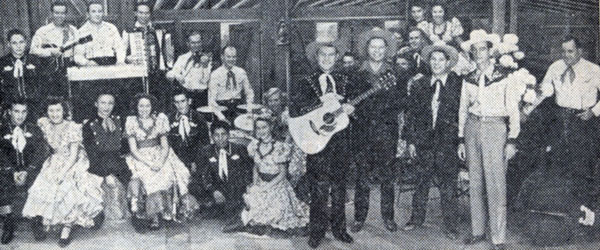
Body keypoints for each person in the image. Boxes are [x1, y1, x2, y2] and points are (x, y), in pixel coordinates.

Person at [458, 30, 522, 250]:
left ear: (490, 51)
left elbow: (513, 110)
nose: (478, 53)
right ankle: (477, 231)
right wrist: (460, 138)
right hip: (472, 127)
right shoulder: (468, 78)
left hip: (496, 129)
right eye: (474, 50)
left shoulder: (504, 76)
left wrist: (512, 139)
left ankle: (498, 237)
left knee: (496, 184)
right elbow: (462, 110)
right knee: (474, 182)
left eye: (482, 49)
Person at [289, 36, 356, 248]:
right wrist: (321, 102)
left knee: (339, 187)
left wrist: (351, 110)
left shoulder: (346, 80)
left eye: (331, 54)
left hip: (340, 141)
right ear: (316, 57)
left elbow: (354, 110)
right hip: (316, 138)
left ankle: (339, 230)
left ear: (337, 57)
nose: (327, 58)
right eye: (322, 54)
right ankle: (316, 232)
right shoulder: (305, 81)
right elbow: (296, 108)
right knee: (318, 188)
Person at [525, 36, 600, 205]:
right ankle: (564, 210)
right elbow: (543, 92)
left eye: (570, 51)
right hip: (560, 120)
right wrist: (526, 111)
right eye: (563, 51)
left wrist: (594, 112)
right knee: (559, 164)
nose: (566, 55)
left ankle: (584, 212)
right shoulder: (555, 67)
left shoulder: (593, 70)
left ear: (580, 51)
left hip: (583, 121)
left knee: (583, 166)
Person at [21, 97, 104, 247]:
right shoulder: (44, 124)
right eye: (51, 111)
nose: (54, 114)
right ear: (46, 112)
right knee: (44, 184)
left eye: (58, 110)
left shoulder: (72, 127)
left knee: (67, 186)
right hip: (54, 159)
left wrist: (63, 172)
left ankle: (67, 228)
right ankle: (46, 222)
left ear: (64, 111)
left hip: (72, 161)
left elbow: (73, 155)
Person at [402, 43, 462, 240]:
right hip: (423, 142)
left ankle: (451, 226)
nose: (436, 63)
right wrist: (410, 141)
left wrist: (460, 141)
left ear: (448, 63)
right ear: (429, 62)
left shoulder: (458, 84)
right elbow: (411, 114)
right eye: (433, 60)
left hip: (448, 144)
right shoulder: (420, 84)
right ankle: (416, 219)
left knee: (448, 186)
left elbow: (462, 116)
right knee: (421, 182)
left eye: (440, 60)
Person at [350, 27, 404, 233]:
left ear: (387, 49)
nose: (377, 51)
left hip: (386, 131)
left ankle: (388, 218)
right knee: (362, 176)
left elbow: (401, 102)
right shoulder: (356, 73)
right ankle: (359, 218)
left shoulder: (397, 73)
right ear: (367, 49)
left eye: (381, 47)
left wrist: (386, 106)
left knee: (387, 177)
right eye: (373, 47)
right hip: (362, 132)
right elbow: (349, 102)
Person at [124, 93, 197, 231]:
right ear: (136, 107)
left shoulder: (160, 119)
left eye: (147, 106)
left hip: (160, 154)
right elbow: (133, 149)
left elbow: (165, 146)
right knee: (148, 176)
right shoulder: (131, 121)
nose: (144, 109)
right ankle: (153, 215)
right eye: (141, 106)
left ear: (152, 107)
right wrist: (150, 164)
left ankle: (167, 211)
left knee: (168, 172)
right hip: (140, 156)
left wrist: (160, 161)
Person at [238, 116, 309, 235]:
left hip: (277, 184)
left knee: (276, 213)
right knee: (252, 204)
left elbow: (283, 174)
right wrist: (255, 184)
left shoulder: (279, 146)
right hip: (261, 181)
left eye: (264, 127)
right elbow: (256, 167)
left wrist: (266, 188)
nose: (261, 131)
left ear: (270, 127)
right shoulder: (254, 146)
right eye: (258, 128)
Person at [0, 98, 47, 244]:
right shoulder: (2, 130)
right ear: (9, 112)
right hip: (8, 169)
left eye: (23, 111)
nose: (20, 116)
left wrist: (28, 171)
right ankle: (8, 223)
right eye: (16, 111)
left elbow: (40, 153)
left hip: (29, 169)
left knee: (39, 180)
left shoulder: (34, 129)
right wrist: (12, 171)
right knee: (2, 180)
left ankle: (35, 220)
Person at [82, 92, 132, 221]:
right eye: (103, 103)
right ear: (96, 104)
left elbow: (125, 146)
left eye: (110, 103)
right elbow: (91, 154)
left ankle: (136, 211)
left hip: (118, 160)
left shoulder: (119, 121)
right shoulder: (89, 125)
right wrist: (106, 174)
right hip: (99, 162)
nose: (106, 107)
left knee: (132, 179)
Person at [194, 120, 253, 228]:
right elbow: (203, 174)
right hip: (217, 187)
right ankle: (224, 210)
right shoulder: (206, 151)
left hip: (235, 187)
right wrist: (213, 190)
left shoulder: (239, 149)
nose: (220, 138)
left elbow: (247, 171)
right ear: (211, 137)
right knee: (195, 186)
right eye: (216, 135)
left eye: (223, 134)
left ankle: (232, 213)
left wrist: (246, 189)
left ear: (229, 135)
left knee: (235, 202)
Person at [123, 2, 174, 109]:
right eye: (141, 13)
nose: (144, 16)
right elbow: (121, 53)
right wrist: (127, 59)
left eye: (146, 13)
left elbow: (169, 50)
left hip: (157, 73)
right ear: (135, 13)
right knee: (137, 101)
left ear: (150, 14)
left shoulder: (160, 30)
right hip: (136, 75)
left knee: (158, 101)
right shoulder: (128, 31)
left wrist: (169, 67)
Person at [29, 0, 78, 97]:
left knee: (70, 96)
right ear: (51, 13)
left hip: (69, 66)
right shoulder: (43, 31)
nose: (60, 16)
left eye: (63, 13)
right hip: (50, 70)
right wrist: (50, 52)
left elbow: (78, 48)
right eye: (57, 13)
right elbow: (33, 50)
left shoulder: (72, 30)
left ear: (66, 14)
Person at [208, 45, 255, 121]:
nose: (231, 59)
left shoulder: (241, 72)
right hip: (222, 109)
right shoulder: (215, 74)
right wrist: (221, 116)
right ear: (222, 57)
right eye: (228, 57)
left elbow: (249, 92)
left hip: (238, 108)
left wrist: (249, 108)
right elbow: (211, 100)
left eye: (234, 57)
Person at [0, 29, 42, 113]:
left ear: (26, 43)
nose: (18, 46)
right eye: (14, 43)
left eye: (21, 42)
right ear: (9, 44)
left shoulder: (35, 60)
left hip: (33, 107)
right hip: (9, 109)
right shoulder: (2, 62)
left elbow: (43, 85)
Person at [166, 32, 212, 109]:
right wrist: (178, 76)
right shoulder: (182, 58)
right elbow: (172, 73)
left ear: (201, 43)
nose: (196, 45)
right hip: (187, 95)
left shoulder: (207, 58)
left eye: (198, 42)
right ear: (188, 44)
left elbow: (205, 80)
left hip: (203, 96)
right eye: (193, 43)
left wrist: (205, 66)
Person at [168, 90, 210, 172]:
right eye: (176, 102)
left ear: (189, 101)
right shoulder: (170, 118)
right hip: (176, 159)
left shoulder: (199, 118)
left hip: (196, 159)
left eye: (183, 101)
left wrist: (194, 161)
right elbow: (169, 143)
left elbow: (205, 143)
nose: (180, 105)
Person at [74, 1, 125, 66]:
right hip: (91, 65)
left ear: (103, 13)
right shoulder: (81, 32)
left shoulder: (111, 28)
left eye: (100, 11)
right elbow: (78, 56)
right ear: (87, 14)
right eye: (93, 11)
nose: (97, 14)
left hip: (111, 63)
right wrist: (86, 63)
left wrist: (120, 61)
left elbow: (120, 47)